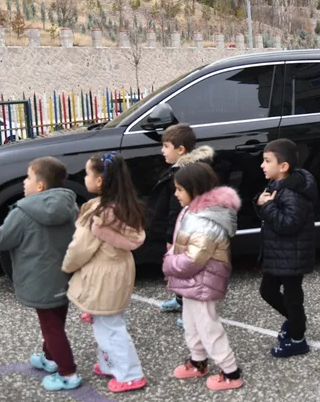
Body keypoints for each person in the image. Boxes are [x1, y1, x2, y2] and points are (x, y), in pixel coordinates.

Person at [0, 156, 82, 391]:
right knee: (55, 320)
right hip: (64, 275)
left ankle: (68, 373)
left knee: (51, 327)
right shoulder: (70, 205)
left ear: (40, 185)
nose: (24, 182)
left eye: (28, 178)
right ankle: (49, 358)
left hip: (39, 280)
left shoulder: (23, 211)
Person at [63, 153, 147, 393]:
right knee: (109, 321)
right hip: (118, 271)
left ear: (99, 181)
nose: (85, 177)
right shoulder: (124, 207)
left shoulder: (97, 213)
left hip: (102, 276)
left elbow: (80, 248)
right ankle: (109, 364)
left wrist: (67, 266)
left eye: (87, 173)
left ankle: (130, 375)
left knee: (110, 329)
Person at [163, 163, 244, 391]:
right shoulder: (191, 211)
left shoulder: (207, 220)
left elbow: (193, 259)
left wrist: (168, 262)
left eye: (179, 189)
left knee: (208, 326)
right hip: (193, 281)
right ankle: (198, 361)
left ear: (195, 189)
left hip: (203, 281)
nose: (175, 194)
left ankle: (231, 372)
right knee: (191, 323)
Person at [255, 138, 317, 357]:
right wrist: (261, 203)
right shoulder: (276, 185)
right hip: (278, 254)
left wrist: (268, 206)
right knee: (267, 291)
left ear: (283, 166)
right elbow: (270, 214)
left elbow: (288, 224)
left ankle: (298, 338)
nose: (262, 165)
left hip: (293, 256)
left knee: (292, 297)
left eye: (267, 161)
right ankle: (296, 320)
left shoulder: (294, 193)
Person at [151, 123, 214, 325]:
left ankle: (191, 311)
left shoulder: (184, 175)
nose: (162, 150)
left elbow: (176, 210)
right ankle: (180, 300)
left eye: (166, 146)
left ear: (180, 150)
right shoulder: (178, 169)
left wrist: (171, 237)